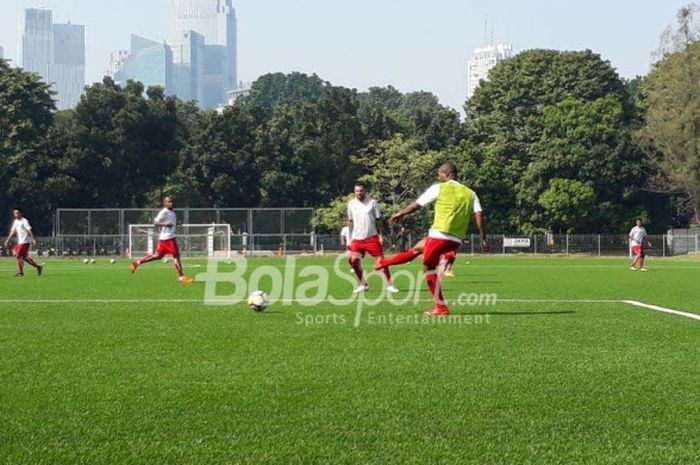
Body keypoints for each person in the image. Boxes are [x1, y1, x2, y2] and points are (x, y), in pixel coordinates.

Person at [387, 162, 488, 316]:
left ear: (446, 174)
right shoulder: (471, 193)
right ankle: (384, 263)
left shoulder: (439, 187)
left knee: (428, 266)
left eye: (439, 174)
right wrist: (483, 238)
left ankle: (441, 307)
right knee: (419, 248)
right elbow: (479, 215)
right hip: (455, 240)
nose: (438, 177)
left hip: (440, 234)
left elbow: (417, 204)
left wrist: (401, 213)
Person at [347, 182, 399, 294]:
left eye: (361, 190)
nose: (359, 193)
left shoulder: (372, 202)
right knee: (353, 260)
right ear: (354, 192)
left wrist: (381, 234)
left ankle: (390, 285)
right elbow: (350, 221)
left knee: (382, 261)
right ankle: (363, 284)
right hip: (357, 238)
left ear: (365, 191)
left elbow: (379, 219)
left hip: (372, 237)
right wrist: (350, 237)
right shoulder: (351, 204)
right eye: (357, 191)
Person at [131, 196, 194, 284]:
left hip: (164, 239)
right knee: (176, 256)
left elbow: (171, 223)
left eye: (172, 201)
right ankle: (181, 277)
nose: (171, 203)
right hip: (168, 238)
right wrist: (165, 224)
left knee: (158, 256)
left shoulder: (172, 212)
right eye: (169, 202)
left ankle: (137, 262)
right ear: (165, 203)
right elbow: (155, 223)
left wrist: (177, 224)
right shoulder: (164, 211)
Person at [3, 208, 43, 277]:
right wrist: (7, 240)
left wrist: (33, 239)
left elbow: (29, 230)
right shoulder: (16, 221)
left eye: (17, 213)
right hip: (20, 242)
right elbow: (12, 231)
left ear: (20, 213)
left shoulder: (24, 221)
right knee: (23, 257)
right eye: (15, 213)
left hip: (25, 241)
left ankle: (21, 272)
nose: (16, 214)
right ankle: (38, 267)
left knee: (18, 255)